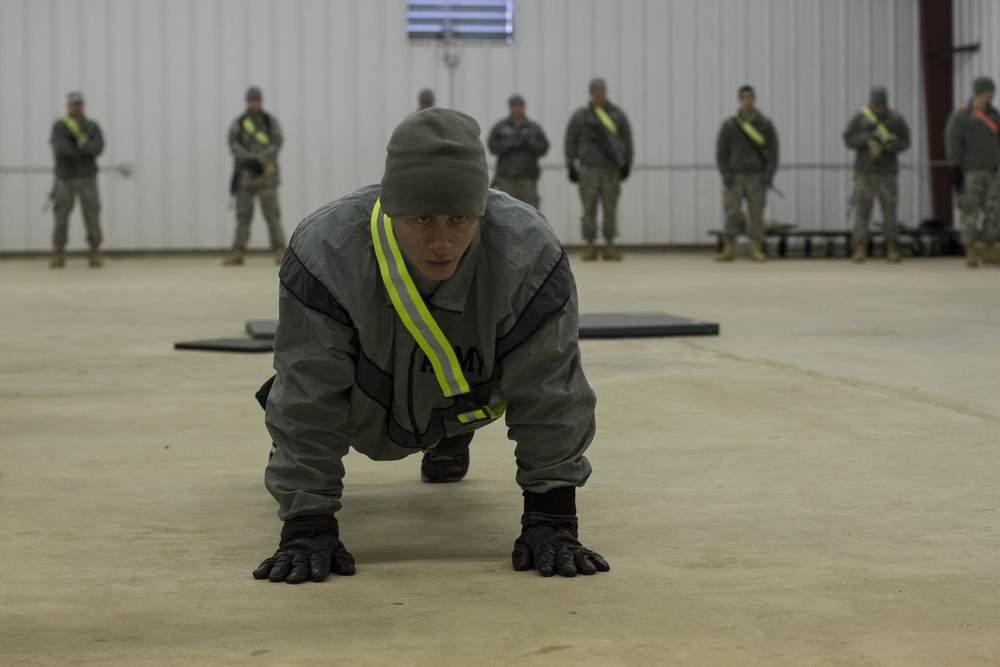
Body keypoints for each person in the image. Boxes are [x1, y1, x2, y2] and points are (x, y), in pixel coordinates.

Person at [251, 108, 609, 584]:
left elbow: (552, 388)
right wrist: (307, 521)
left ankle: (449, 433)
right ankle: (440, 427)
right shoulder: (326, 253)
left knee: (505, 368)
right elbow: (308, 395)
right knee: (294, 390)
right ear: (393, 206)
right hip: (370, 403)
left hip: (467, 389)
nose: (442, 241)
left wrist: (553, 516)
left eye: (460, 218)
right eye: (423, 219)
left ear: (480, 210)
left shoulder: (530, 255)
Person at [564, 78, 633, 261]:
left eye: (601, 94)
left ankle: (610, 246)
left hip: (611, 170)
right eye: (596, 94)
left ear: (606, 93)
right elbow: (570, 140)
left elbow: (627, 140)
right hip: (588, 170)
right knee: (589, 209)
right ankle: (590, 246)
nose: (599, 97)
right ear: (591, 94)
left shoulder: (617, 115)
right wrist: (571, 164)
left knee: (610, 208)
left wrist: (627, 164)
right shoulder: (581, 116)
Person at [842, 87, 911, 263]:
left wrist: (890, 146)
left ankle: (891, 247)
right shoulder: (860, 118)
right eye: (876, 105)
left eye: (882, 105)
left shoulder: (895, 119)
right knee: (862, 211)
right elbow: (848, 138)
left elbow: (905, 142)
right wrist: (867, 140)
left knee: (890, 211)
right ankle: (860, 247)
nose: (879, 108)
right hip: (864, 172)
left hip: (887, 172)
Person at [714, 85, 779, 263]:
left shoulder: (764, 124)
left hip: (757, 175)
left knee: (756, 212)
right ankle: (729, 248)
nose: (747, 100)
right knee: (731, 211)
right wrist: (725, 172)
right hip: (735, 175)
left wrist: (769, 173)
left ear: (754, 99)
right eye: (744, 97)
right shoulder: (730, 125)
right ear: (739, 100)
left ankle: (756, 249)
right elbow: (721, 151)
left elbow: (773, 150)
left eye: (750, 97)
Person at [224, 86, 286, 266]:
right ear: (247, 102)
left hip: (267, 178)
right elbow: (233, 143)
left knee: (273, 216)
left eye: (257, 100)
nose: (254, 104)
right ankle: (237, 251)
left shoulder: (269, 122)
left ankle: (280, 250)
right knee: (243, 216)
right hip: (246, 178)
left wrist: (261, 160)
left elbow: (277, 142)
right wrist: (249, 160)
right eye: (251, 101)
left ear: (261, 102)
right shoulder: (240, 123)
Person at [945, 76, 1000, 268]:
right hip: (971, 172)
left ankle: (990, 248)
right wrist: (955, 167)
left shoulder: (994, 115)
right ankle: (970, 249)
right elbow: (953, 141)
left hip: (993, 170)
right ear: (979, 92)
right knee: (969, 211)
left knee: (995, 210)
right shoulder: (962, 116)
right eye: (989, 91)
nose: (992, 95)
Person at [48, 91, 105, 268]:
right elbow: (61, 150)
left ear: (83, 105)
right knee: (61, 216)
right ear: (68, 106)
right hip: (65, 177)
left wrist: (81, 146)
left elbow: (98, 148)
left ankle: (94, 251)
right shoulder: (60, 126)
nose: (76, 107)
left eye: (79, 104)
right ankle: (59, 252)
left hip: (87, 177)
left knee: (92, 215)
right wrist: (83, 148)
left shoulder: (92, 126)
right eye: (73, 104)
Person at [487, 94, 550, 209]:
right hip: (506, 178)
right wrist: (508, 144)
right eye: (514, 106)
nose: (517, 109)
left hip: (527, 178)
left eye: (519, 106)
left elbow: (544, 148)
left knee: (530, 211)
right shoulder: (501, 127)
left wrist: (530, 142)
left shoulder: (533, 127)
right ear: (510, 108)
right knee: (506, 210)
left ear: (523, 107)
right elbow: (492, 146)